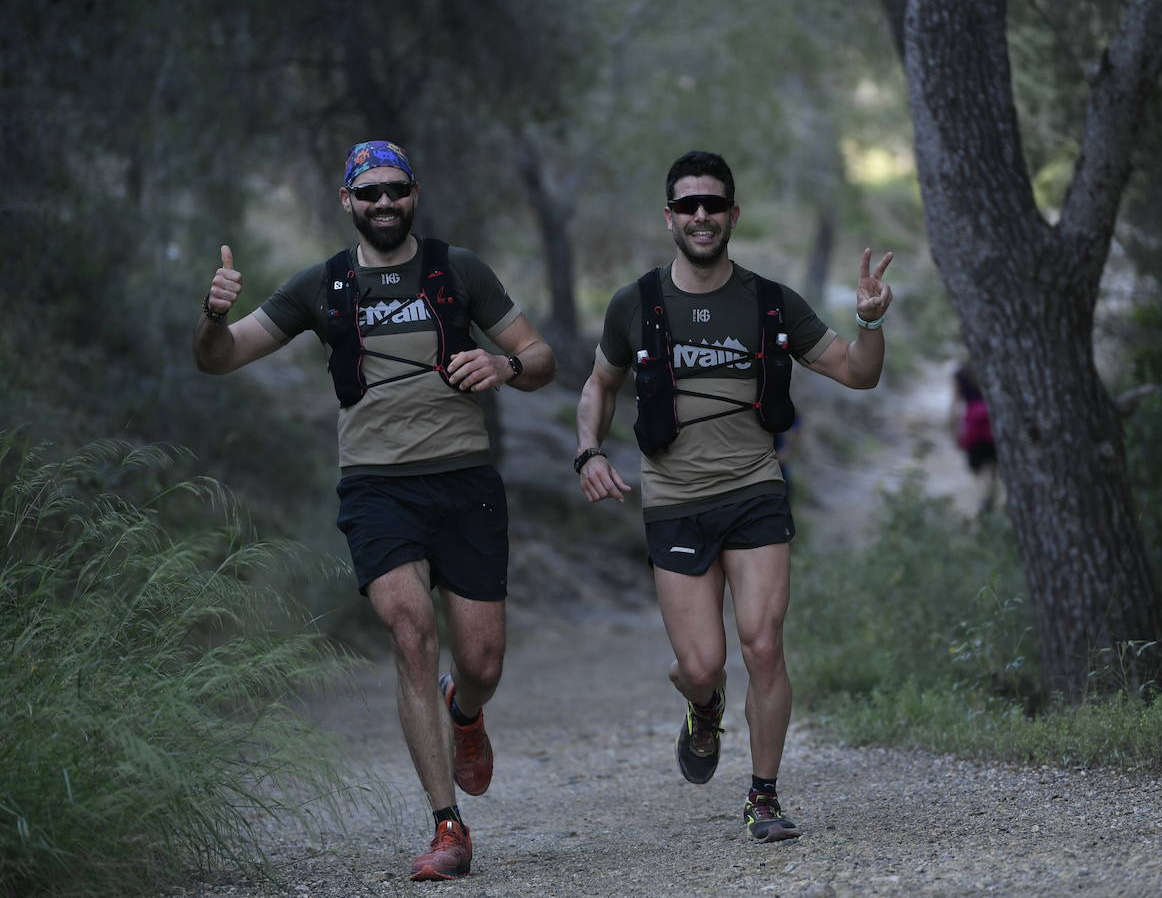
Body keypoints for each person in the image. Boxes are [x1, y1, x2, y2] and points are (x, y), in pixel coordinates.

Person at [192, 141, 555, 881]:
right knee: (411, 633)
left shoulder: (460, 272)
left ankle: (466, 708)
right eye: (370, 193)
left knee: (481, 660)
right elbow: (220, 358)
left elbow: (540, 356)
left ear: (414, 195)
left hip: (464, 482)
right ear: (346, 200)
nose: (384, 203)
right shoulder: (322, 286)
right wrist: (212, 315)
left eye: (396, 190)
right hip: (376, 488)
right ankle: (447, 825)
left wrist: (504, 365)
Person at [574, 150, 893, 843]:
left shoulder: (769, 301)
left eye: (712, 204)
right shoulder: (637, 303)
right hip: (674, 498)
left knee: (765, 646)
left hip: (754, 490)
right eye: (687, 205)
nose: (700, 216)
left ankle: (763, 796)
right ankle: (703, 704)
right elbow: (600, 384)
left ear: (732, 215)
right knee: (702, 664)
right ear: (669, 217)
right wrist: (589, 451)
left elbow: (856, 374)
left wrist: (869, 321)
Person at [951, 361, 997, 514]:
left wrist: (954, 429)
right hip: (992, 423)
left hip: (973, 426)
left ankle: (982, 500)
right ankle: (989, 498)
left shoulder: (961, 373)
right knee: (992, 466)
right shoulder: (991, 367)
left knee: (976, 469)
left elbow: (955, 404)